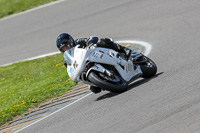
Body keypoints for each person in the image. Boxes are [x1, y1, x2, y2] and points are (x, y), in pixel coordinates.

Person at [56, 33, 132, 93]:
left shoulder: (78, 42)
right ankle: (107, 81)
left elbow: (93, 38)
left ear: (71, 42)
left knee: (102, 41)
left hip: (96, 55)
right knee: (94, 89)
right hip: (85, 68)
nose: (67, 48)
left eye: (67, 45)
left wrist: (90, 42)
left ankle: (123, 49)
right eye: (64, 48)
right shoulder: (66, 60)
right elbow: (70, 69)